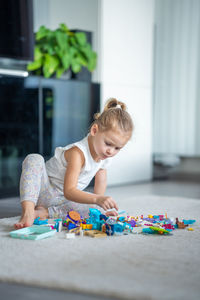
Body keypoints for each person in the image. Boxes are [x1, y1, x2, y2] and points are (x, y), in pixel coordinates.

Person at [14, 98, 134, 229]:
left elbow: (100, 185)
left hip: (64, 202)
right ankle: (29, 211)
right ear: (94, 130)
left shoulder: (105, 156)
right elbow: (69, 191)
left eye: (117, 148)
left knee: (92, 209)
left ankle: (45, 213)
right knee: (34, 158)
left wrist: (100, 206)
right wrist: (97, 199)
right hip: (44, 191)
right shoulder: (78, 153)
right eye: (108, 144)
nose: (111, 151)